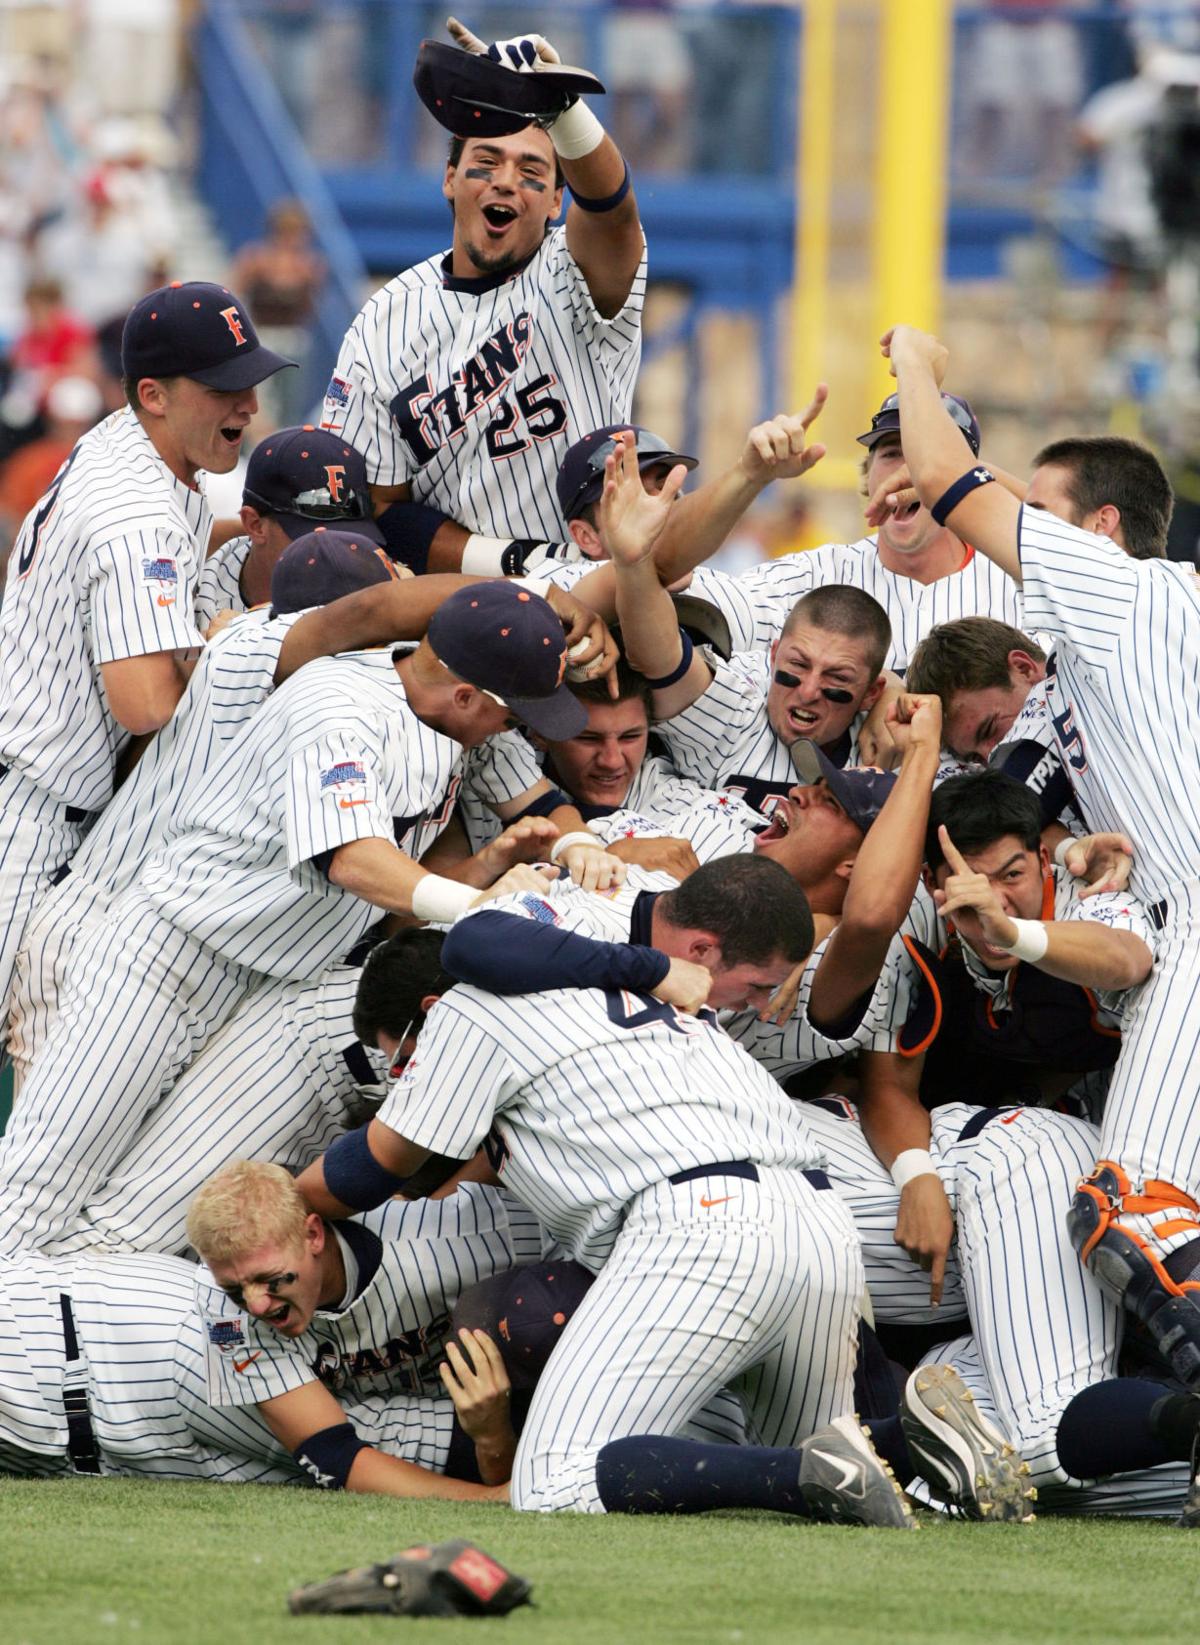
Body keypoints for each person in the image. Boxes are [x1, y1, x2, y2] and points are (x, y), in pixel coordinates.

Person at [296, 858, 914, 1527]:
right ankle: (914, 1441)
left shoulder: (474, 1004)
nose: (400, 1073)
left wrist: (288, 1197)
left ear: (427, 1008)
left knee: (550, 1481)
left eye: (398, 1057)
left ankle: (831, 1461)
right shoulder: (626, 979)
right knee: (826, 1485)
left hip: (703, 1224)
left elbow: (374, 1165)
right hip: (819, 1220)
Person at [0, 581, 608, 1254]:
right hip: (168, 960)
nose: (515, 728)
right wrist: (476, 909)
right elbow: (353, 859)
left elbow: (538, 799)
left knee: (139, 1229)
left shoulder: (448, 708)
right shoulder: (341, 706)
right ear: (467, 695)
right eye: (513, 715)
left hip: (269, 989)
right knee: (35, 1193)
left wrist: (577, 842)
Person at [878, 321, 1200, 1389]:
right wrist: (1069, 839)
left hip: (1190, 929)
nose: (1029, 538)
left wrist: (918, 365)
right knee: (1144, 1219)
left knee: (1134, 1206)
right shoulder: (1118, 637)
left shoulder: (1128, 596)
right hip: (1168, 925)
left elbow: (947, 478)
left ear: (1102, 530)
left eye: (1049, 517)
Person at [0, 278, 293, 1049]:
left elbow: (174, 531)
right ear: (155, 394)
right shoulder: (136, 517)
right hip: (24, 822)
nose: (248, 407)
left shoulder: (131, 447)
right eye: (225, 388)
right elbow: (146, 705)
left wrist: (269, 530)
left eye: (250, 383)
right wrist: (237, 639)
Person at [321, 20, 646, 565]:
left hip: (598, 585)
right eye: (487, 162)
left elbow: (613, 211)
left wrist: (561, 109)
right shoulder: (384, 318)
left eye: (531, 170)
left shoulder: (575, 268)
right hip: (456, 603)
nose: (505, 180)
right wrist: (511, 562)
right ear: (450, 178)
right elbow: (377, 505)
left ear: (556, 202)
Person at [187, 1159, 539, 1495]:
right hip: (407, 1430)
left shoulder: (460, 1239)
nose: (256, 1304)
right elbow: (331, 1452)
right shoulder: (219, 1299)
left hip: (520, 1404)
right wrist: (488, 1499)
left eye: (269, 1279)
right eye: (236, 1289)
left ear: (313, 1235)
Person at [600, 432, 892, 813]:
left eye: (836, 681)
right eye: (796, 667)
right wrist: (635, 565)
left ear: (871, 693)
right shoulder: (738, 707)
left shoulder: (891, 741)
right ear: (772, 654)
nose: (808, 691)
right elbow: (660, 658)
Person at [639, 388, 1023, 674]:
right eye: (890, 454)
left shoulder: (1019, 583)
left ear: (967, 480)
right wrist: (748, 476)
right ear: (868, 475)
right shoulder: (813, 577)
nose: (905, 473)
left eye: (925, 458)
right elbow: (664, 574)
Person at [193, 423, 389, 627]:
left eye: (352, 536)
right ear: (255, 525)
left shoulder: (376, 579)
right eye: (315, 539)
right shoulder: (188, 597)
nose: (337, 551)